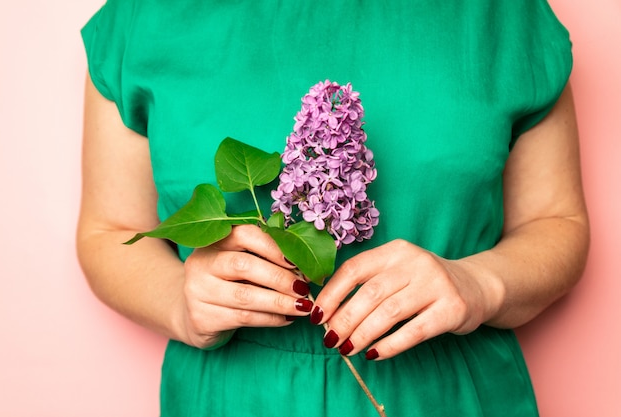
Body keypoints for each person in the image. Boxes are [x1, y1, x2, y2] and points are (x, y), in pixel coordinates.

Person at [77, 1, 589, 415]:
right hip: (236, 396)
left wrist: (480, 284)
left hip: (448, 394)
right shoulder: (143, 17)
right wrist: (179, 300)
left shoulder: (504, 16)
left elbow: (556, 222)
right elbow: (109, 231)